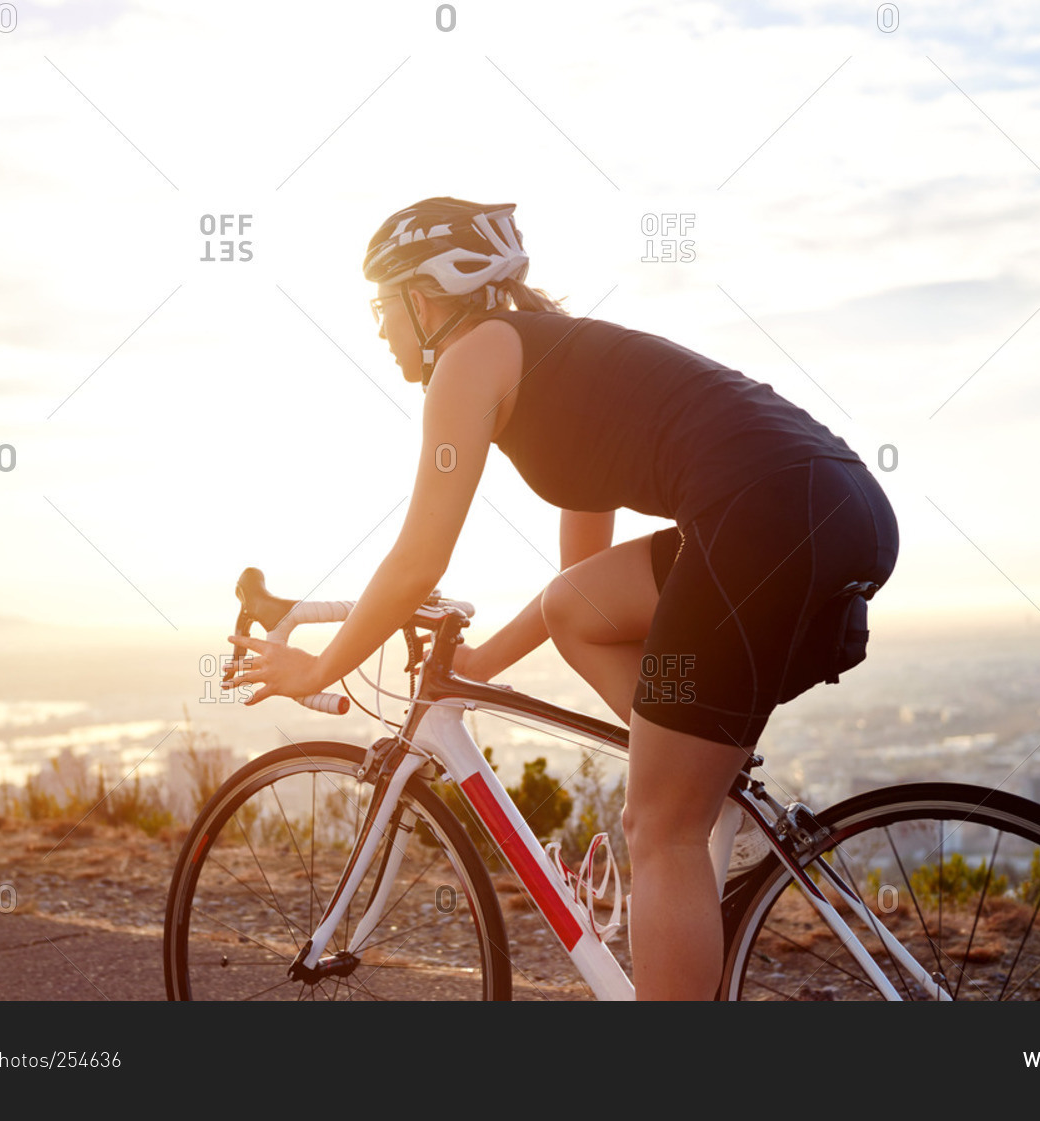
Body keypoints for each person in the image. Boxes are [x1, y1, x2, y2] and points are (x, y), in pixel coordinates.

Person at [228, 197, 899, 999]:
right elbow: (576, 593)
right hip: (843, 508)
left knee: (659, 832)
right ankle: (698, 769)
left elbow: (417, 558)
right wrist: (477, 661)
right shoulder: (563, 364)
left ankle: (685, 811)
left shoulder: (470, 358)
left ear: (424, 297)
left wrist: (316, 670)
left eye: (381, 307)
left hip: (767, 520)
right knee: (589, 621)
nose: (378, 330)